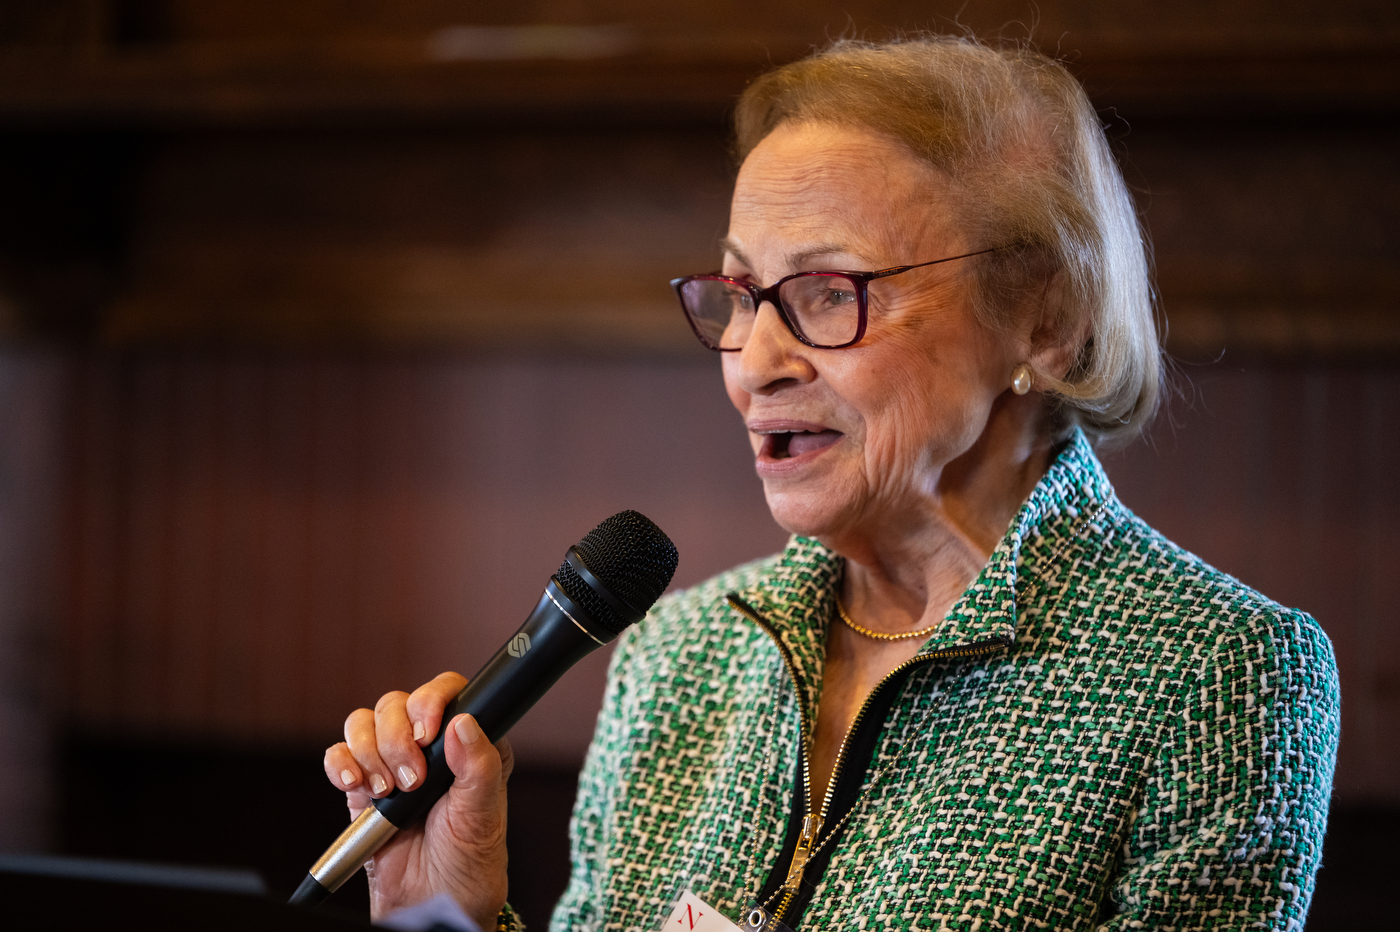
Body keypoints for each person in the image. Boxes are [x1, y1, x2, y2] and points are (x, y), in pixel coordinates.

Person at [322, 36, 1339, 931]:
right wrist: (441, 917)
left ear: (1045, 317)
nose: (754, 362)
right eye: (739, 294)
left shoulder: (1219, 674)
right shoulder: (677, 657)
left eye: (826, 291)